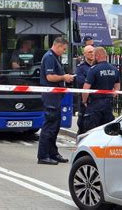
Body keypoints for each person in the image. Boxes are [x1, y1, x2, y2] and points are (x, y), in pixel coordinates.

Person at [37, 37, 74, 165]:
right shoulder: (49, 57)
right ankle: (43, 155)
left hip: (56, 96)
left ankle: (53, 153)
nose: (64, 52)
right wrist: (64, 77)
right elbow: (50, 77)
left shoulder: (55, 57)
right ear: (58, 46)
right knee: (49, 126)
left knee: (55, 126)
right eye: (63, 49)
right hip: (50, 96)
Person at [81, 47, 120, 133]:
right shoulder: (114, 69)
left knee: (91, 131)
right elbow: (117, 88)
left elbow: (86, 88)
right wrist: (111, 96)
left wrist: (84, 101)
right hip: (108, 105)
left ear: (97, 56)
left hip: (95, 105)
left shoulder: (93, 69)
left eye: (94, 55)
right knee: (106, 131)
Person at [75, 45, 95, 135]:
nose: (92, 54)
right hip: (85, 100)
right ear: (85, 54)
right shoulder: (81, 68)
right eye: (89, 52)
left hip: (96, 100)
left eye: (93, 51)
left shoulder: (97, 66)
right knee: (82, 124)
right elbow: (81, 82)